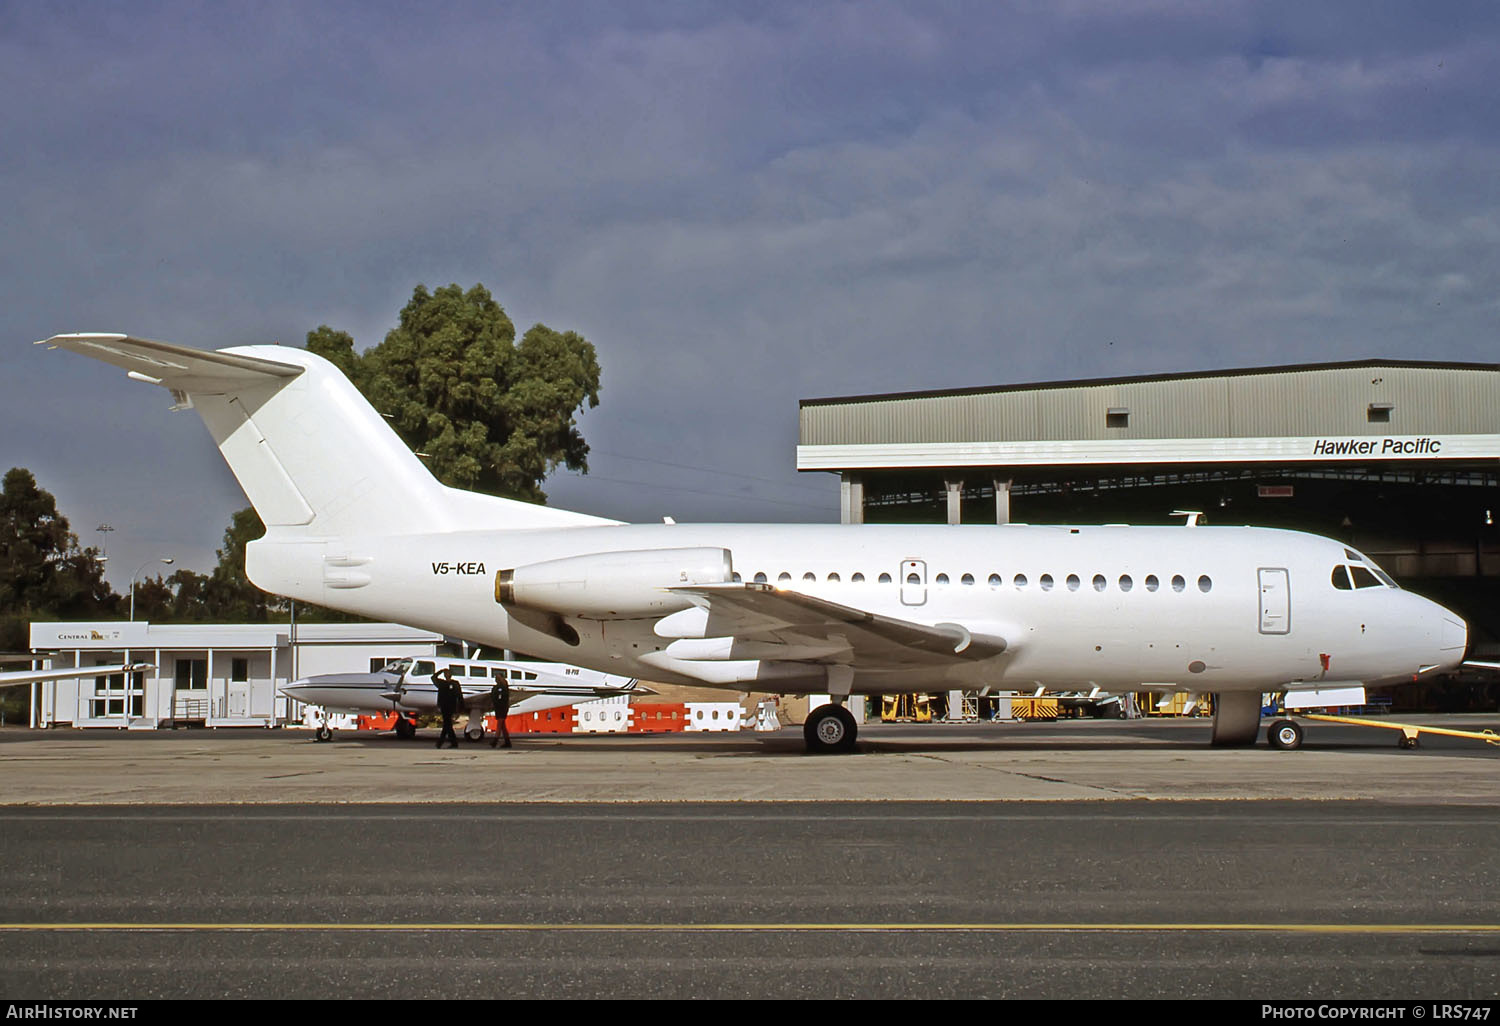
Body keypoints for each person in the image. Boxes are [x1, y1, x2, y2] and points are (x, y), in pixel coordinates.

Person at [433, 667, 460, 749]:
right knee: (447, 725)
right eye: (445, 674)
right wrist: (440, 671)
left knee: (447, 724)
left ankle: (441, 742)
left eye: (448, 673)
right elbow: (433, 677)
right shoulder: (441, 683)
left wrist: (459, 708)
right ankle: (451, 742)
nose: (446, 675)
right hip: (444, 706)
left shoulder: (455, 684)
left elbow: (459, 696)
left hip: (451, 706)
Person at [490, 673, 512, 749]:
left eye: (498, 677)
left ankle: (495, 741)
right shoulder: (497, 687)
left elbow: (502, 699)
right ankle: (507, 741)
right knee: (502, 726)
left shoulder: (502, 687)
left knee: (499, 725)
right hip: (498, 708)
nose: (496, 679)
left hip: (502, 708)